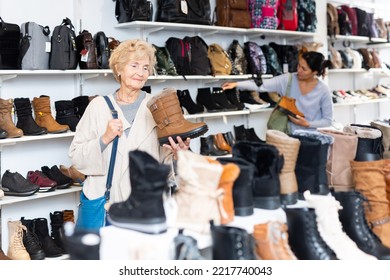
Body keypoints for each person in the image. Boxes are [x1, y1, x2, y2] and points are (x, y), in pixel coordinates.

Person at [68, 39, 190, 204]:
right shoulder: (98, 107)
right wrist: (105, 138)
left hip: (147, 204)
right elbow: (76, 158)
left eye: (146, 68)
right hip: (107, 204)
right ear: (118, 68)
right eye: (134, 65)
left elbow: (165, 162)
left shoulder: (157, 106)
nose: (141, 73)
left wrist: (178, 156)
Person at [222, 51, 334, 133]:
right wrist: (237, 84)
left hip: (310, 142)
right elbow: (263, 85)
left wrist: (308, 124)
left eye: (304, 69)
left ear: (314, 72)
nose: (298, 70)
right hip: (285, 136)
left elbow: (328, 120)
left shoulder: (323, 90)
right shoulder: (288, 79)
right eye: (299, 65)